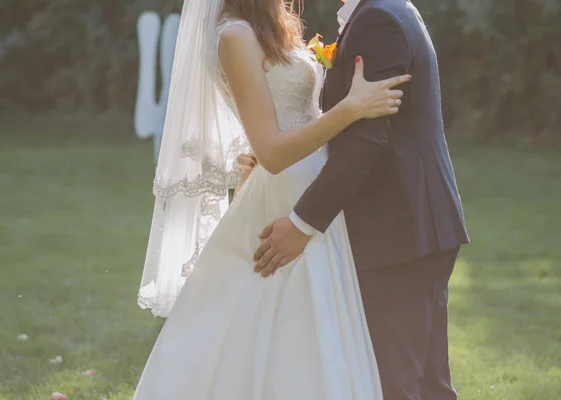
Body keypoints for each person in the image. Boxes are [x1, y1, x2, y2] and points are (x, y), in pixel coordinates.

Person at [133, 0, 411, 397]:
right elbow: (273, 153)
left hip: (314, 183)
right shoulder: (234, 35)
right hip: (286, 191)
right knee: (290, 320)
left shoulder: (268, 24)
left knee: (316, 321)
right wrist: (350, 110)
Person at [252, 0, 470, 399]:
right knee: (426, 384)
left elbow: (366, 140)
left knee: (395, 383)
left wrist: (302, 224)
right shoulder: (388, 8)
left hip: (399, 233)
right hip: (418, 227)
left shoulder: (379, 19)